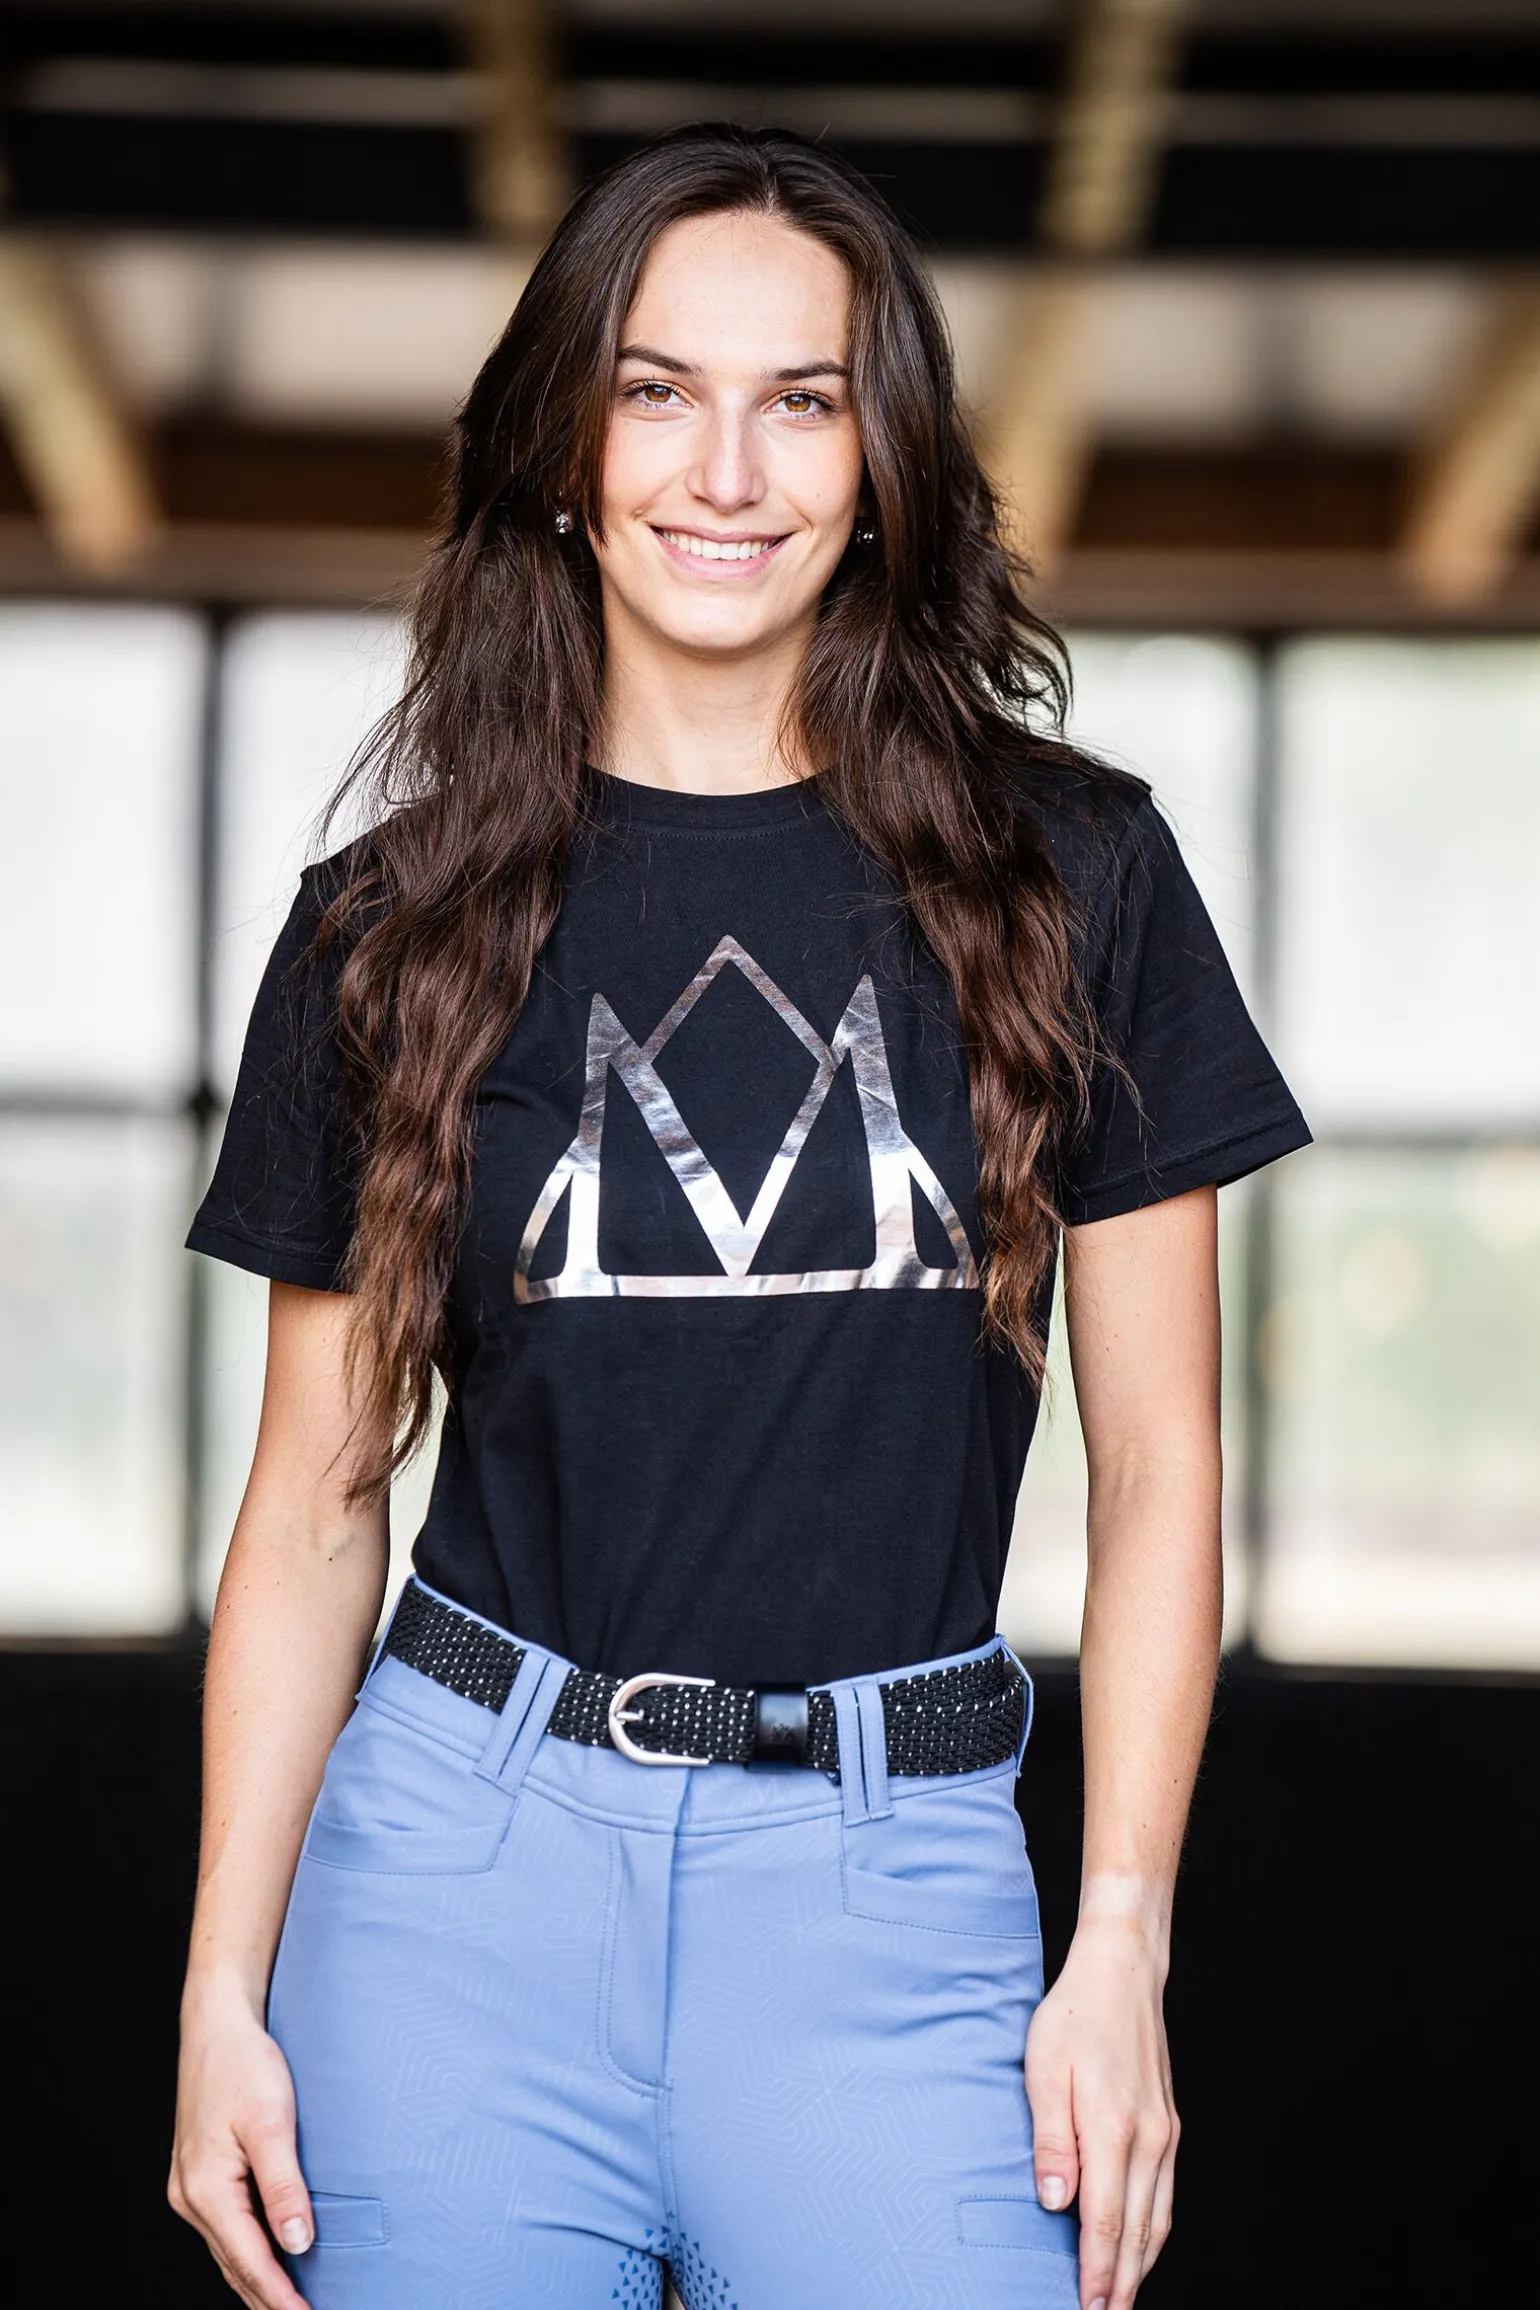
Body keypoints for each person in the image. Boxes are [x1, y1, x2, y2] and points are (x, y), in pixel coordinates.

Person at [169, 126, 1308, 2310]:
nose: (725, 470)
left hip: (898, 1896)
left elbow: (1161, 1470)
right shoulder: (387, 928)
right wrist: (225, 1983)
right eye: (656, 389)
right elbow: (316, 1498)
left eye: (802, 401)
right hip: (454, 1889)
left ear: (881, 464)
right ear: (562, 448)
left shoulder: (1076, 877)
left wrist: (1121, 1942)